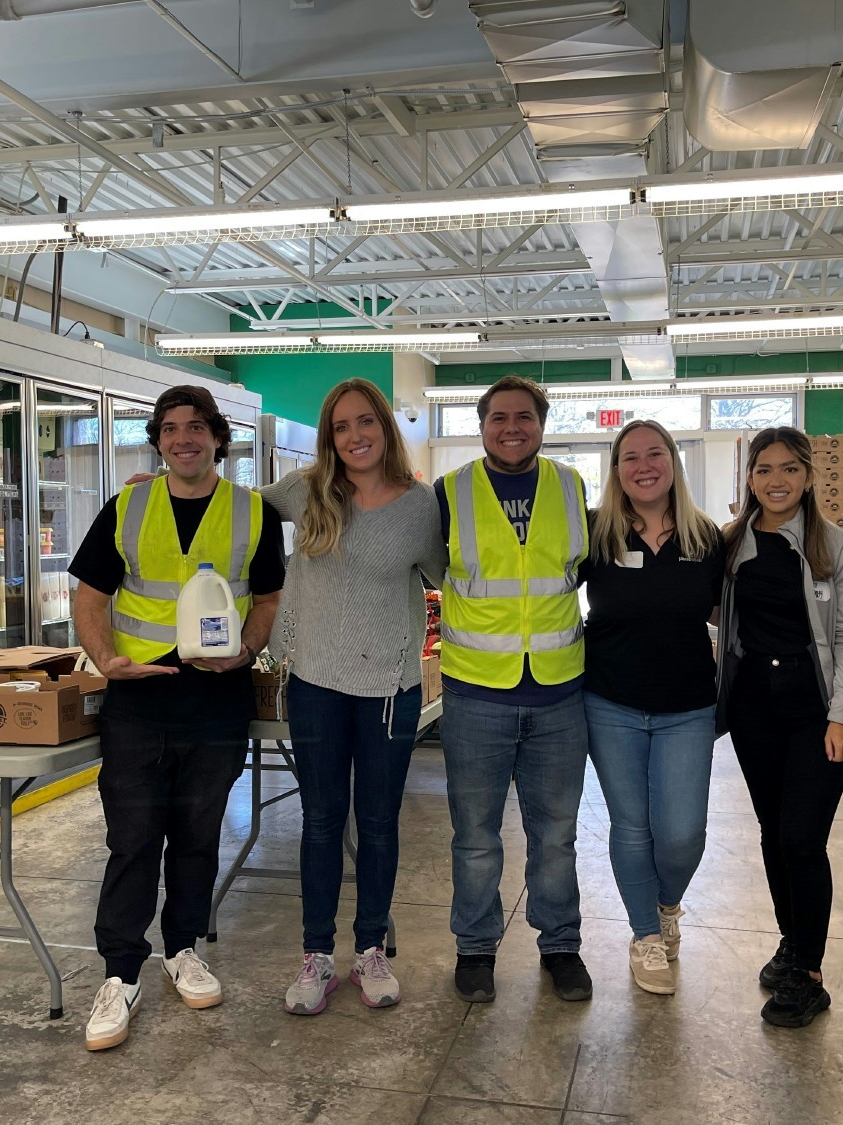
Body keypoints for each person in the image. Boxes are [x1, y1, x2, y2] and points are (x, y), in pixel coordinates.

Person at [70, 384, 285, 1052]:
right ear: (157, 440)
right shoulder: (127, 506)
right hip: (137, 702)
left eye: (196, 427)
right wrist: (105, 658)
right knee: (133, 839)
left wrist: (246, 650)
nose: (183, 439)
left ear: (219, 437)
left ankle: (183, 947)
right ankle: (120, 970)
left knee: (197, 835)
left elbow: (270, 597)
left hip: (214, 702)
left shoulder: (253, 513)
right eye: (169, 429)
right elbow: (89, 595)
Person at [260, 378, 446, 1015]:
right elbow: (232, 506)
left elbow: (454, 577)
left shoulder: (421, 506)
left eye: (366, 422)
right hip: (314, 681)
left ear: (385, 428)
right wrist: (161, 486)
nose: (355, 436)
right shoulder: (306, 490)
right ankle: (316, 955)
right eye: (341, 427)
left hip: (389, 687)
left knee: (378, 822)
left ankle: (370, 949)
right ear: (329, 436)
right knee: (319, 822)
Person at [435, 374, 593, 1005]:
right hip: (476, 693)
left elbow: (579, 568)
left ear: (542, 424)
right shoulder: (449, 493)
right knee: (475, 835)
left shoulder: (571, 486)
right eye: (498, 417)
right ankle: (475, 949)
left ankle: (560, 946)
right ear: (481, 426)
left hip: (558, 691)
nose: (511, 427)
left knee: (556, 833)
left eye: (524, 417)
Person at [716, 427, 843, 1028]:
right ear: (749, 479)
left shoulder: (834, 545)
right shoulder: (731, 544)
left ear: (808, 477)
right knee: (773, 834)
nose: (776, 481)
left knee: (803, 837)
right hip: (753, 709)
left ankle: (811, 973)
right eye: (764, 469)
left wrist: (842, 714)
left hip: (814, 709)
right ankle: (792, 942)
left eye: (789, 469)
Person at [581, 420, 723, 996]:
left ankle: (668, 905)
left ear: (673, 461)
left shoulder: (706, 537)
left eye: (655, 454)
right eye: (630, 457)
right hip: (609, 699)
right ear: (616, 470)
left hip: (688, 705)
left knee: (683, 832)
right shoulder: (596, 533)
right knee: (633, 827)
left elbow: (726, 613)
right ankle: (645, 935)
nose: (644, 465)